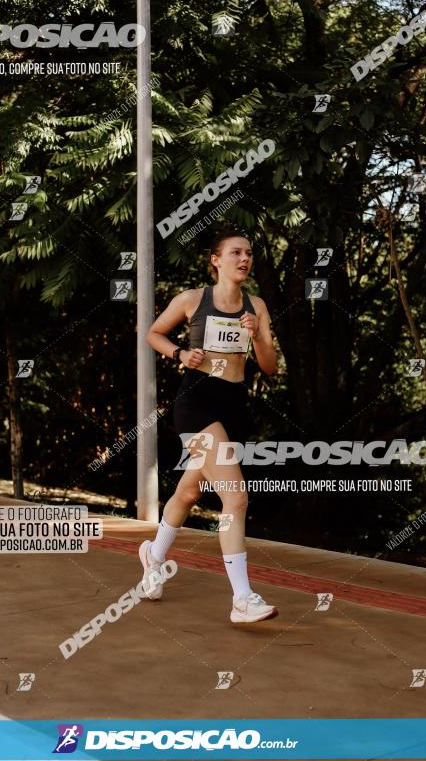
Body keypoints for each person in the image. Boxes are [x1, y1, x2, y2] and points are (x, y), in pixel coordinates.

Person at [139, 230, 279, 623]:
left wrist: (257, 335)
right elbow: (152, 333)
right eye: (235, 252)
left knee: (190, 490)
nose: (244, 258)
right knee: (236, 498)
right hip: (197, 402)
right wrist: (180, 353)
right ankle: (242, 599)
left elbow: (270, 366)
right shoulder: (192, 299)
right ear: (216, 260)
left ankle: (154, 554)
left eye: (249, 253)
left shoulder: (257, 307)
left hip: (234, 405)